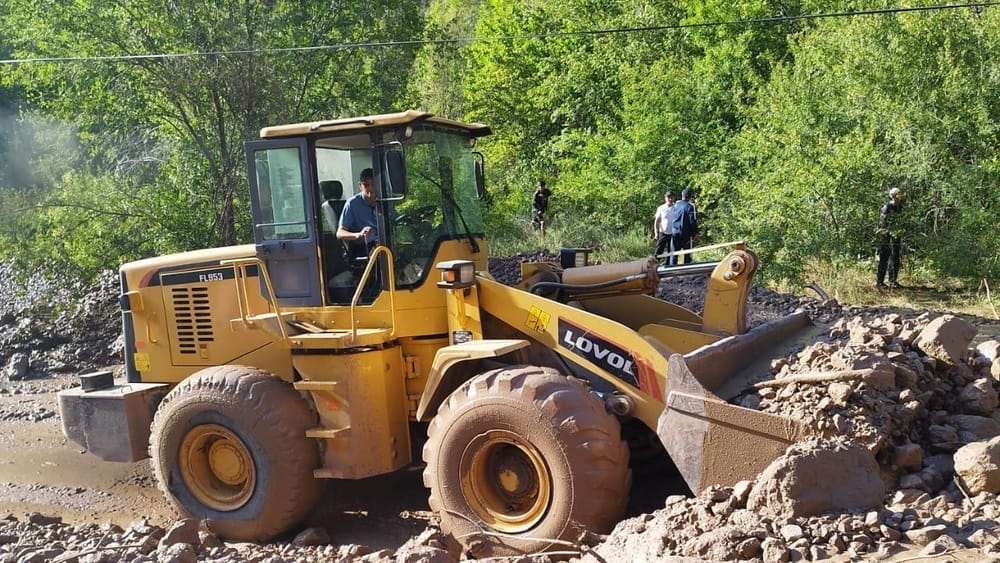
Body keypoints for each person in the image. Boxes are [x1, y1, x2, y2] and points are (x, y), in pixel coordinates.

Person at [337, 168, 379, 259]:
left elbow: (395, 220)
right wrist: (359, 234)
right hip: (364, 247)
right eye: (366, 185)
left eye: (374, 185)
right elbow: (340, 233)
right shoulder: (352, 204)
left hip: (383, 243)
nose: (371, 189)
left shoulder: (384, 200)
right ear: (360, 186)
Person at [876, 187, 905, 289]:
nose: (900, 195)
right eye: (898, 194)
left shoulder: (900, 207)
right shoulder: (887, 207)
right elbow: (882, 224)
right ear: (893, 196)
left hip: (896, 236)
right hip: (886, 236)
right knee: (884, 258)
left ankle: (893, 281)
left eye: (900, 193)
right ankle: (880, 282)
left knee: (895, 257)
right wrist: (885, 237)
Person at [668, 188, 698, 265]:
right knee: (687, 254)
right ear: (690, 197)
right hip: (686, 234)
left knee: (674, 253)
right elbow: (692, 221)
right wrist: (694, 233)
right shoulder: (690, 206)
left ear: (682, 196)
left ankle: (672, 271)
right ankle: (686, 271)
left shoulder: (675, 205)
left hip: (675, 232)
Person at [653, 191, 675, 262]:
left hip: (672, 233)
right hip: (663, 232)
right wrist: (656, 233)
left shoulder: (676, 207)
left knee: (671, 251)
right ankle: (654, 264)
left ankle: (668, 266)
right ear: (665, 198)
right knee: (659, 250)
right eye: (668, 197)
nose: (670, 199)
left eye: (671, 197)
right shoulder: (661, 208)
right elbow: (657, 221)